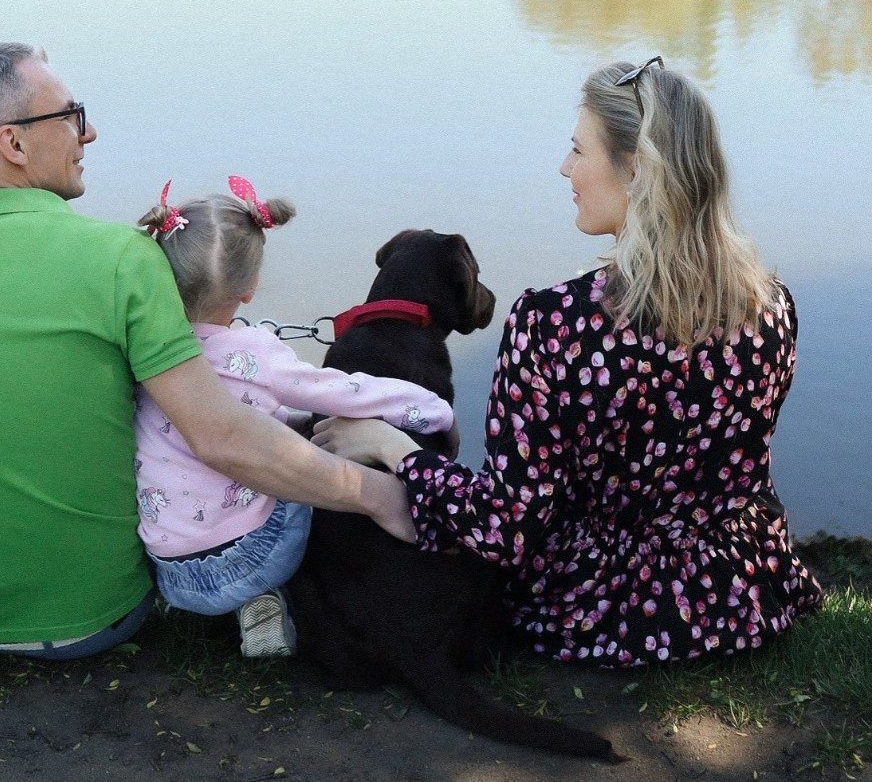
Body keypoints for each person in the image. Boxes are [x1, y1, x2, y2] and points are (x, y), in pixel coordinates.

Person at [0, 41, 414, 660]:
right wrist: (376, 495)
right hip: (97, 618)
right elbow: (221, 437)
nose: (89, 133)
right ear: (13, 144)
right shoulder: (124, 259)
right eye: (70, 116)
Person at [313, 57, 822, 666]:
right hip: (742, 597)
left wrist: (390, 446)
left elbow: (505, 528)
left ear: (635, 170)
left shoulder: (550, 323)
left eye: (579, 150)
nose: (565, 167)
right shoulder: (772, 303)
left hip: (594, 609)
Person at [133, 178, 456, 657]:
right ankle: (269, 596)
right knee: (297, 471)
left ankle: (244, 606)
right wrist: (434, 409)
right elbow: (345, 392)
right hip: (252, 558)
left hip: (172, 574)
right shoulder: (254, 352)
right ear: (249, 288)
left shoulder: (143, 351)